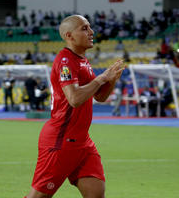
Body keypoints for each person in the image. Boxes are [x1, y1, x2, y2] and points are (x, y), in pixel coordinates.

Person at [24, 15, 125, 198]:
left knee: (95, 194)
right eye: (84, 28)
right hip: (61, 140)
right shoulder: (65, 61)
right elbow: (75, 99)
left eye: (90, 27)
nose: (91, 32)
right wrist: (101, 78)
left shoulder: (82, 61)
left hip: (82, 142)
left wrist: (111, 81)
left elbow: (100, 96)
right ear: (69, 36)